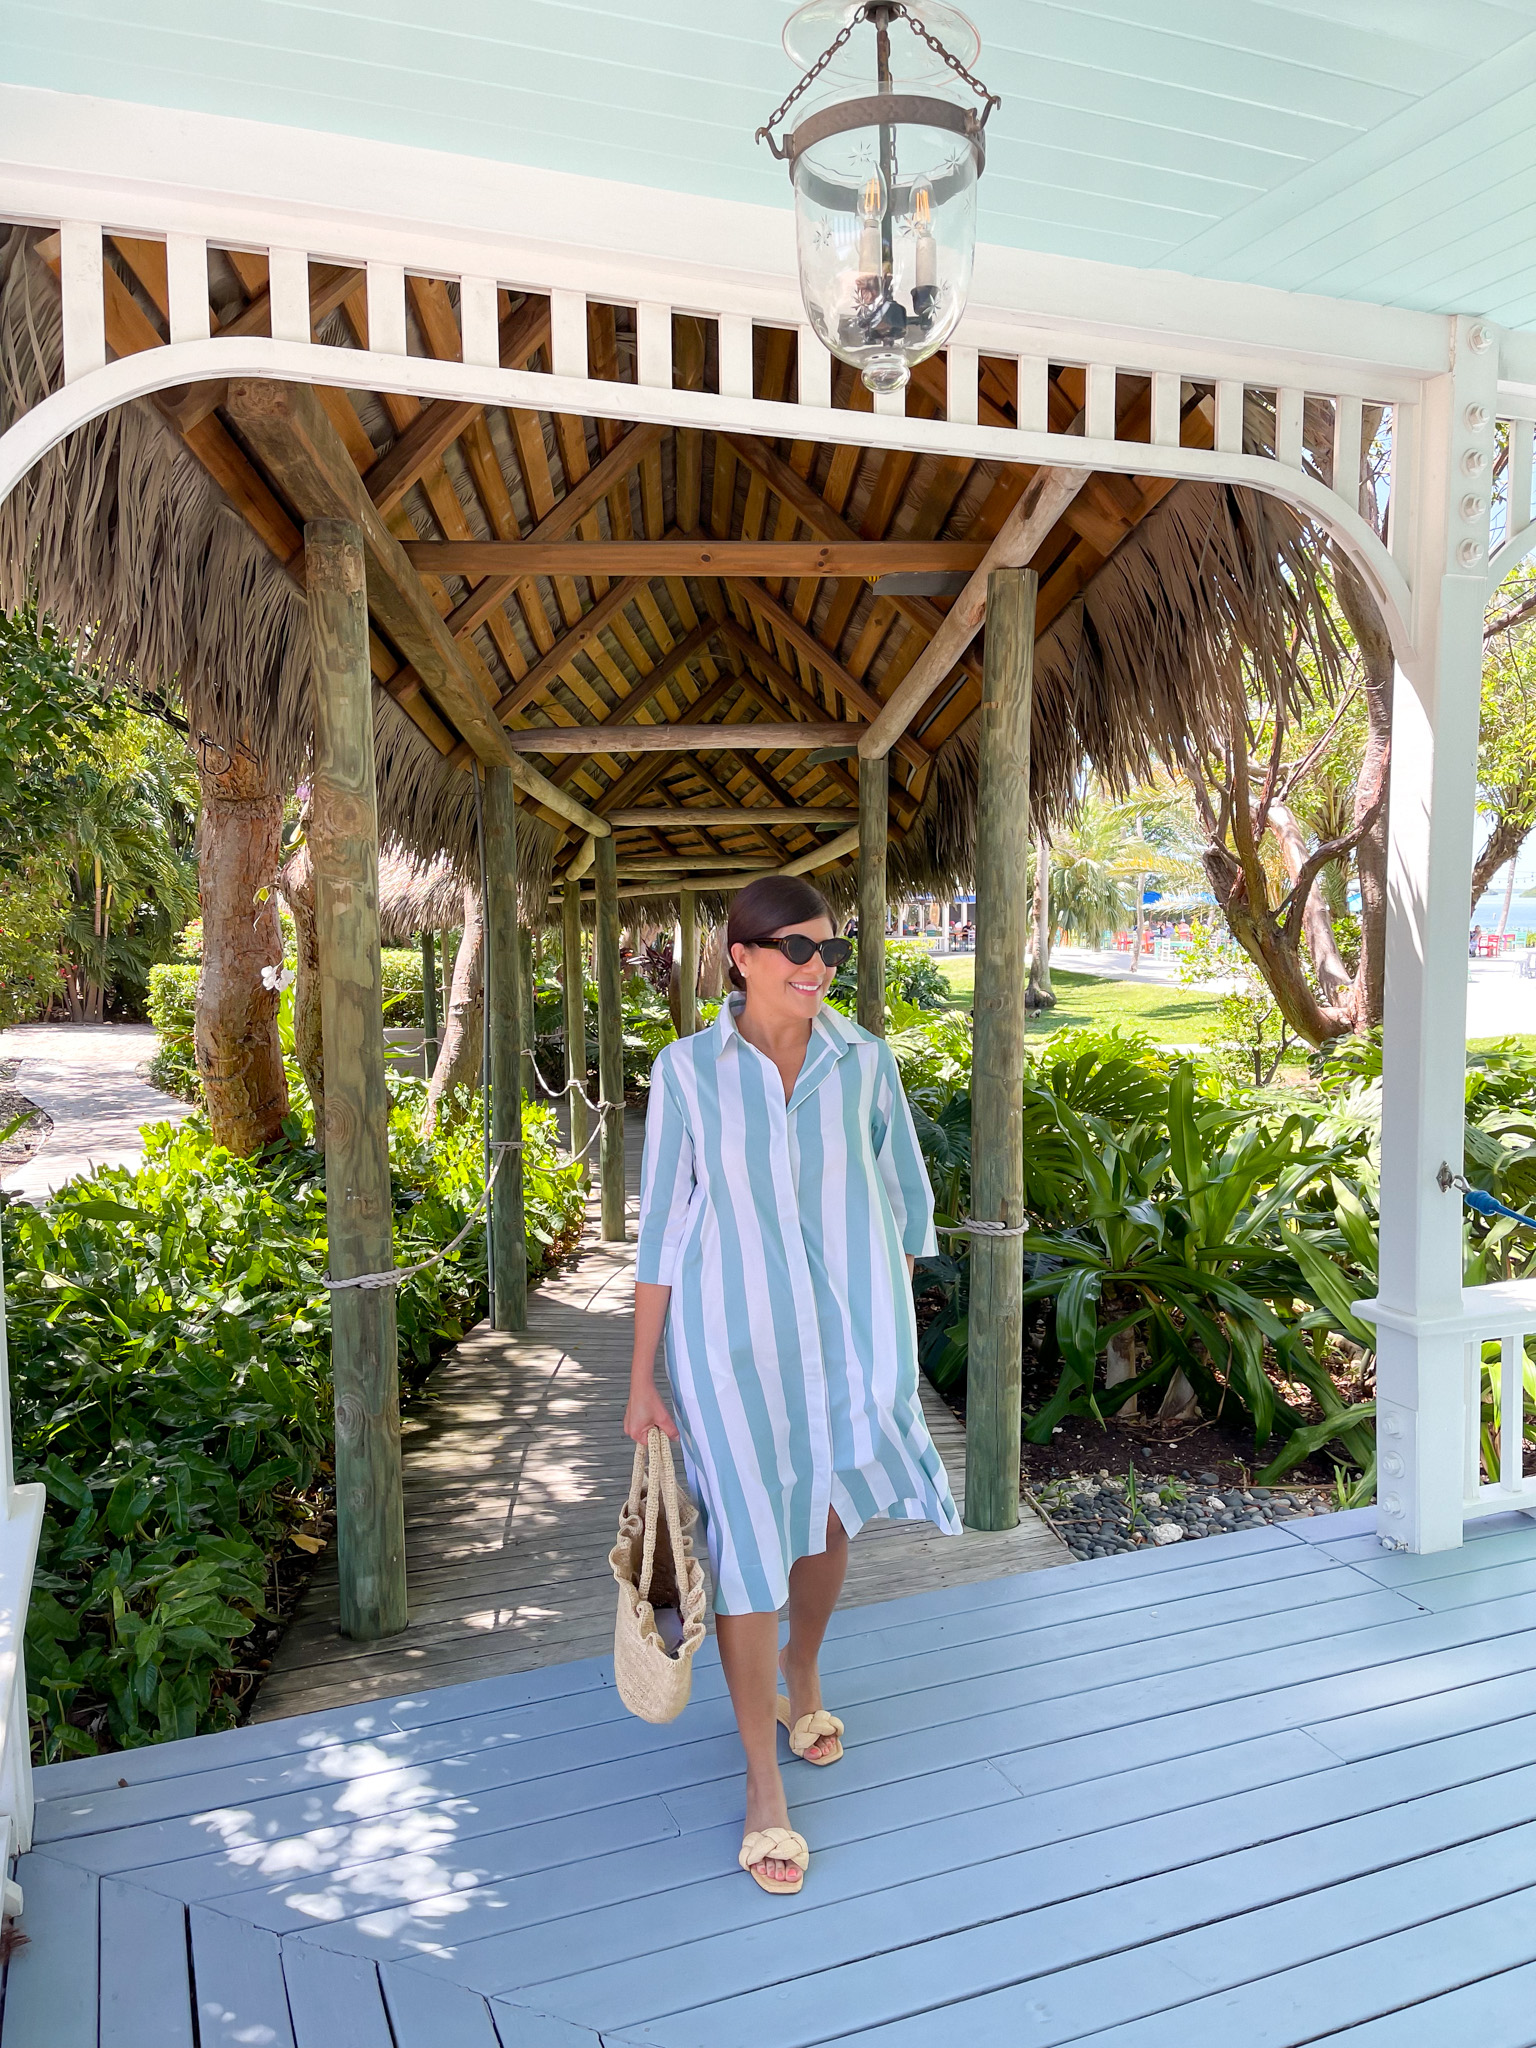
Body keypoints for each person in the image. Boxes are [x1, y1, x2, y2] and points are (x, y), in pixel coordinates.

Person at [626, 875, 960, 1897]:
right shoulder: (686, 1073)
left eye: (830, 951)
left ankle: (801, 1668)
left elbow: (905, 1198)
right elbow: (664, 1226)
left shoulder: (866, 1062)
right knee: (746, 1537)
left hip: (851, 1336)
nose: (818, 968)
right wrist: (641, 1376)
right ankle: (762, 1785)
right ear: (741, 955)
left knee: (827, 1510)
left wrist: (887, 1315)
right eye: (796, 949)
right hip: (730, 1341)